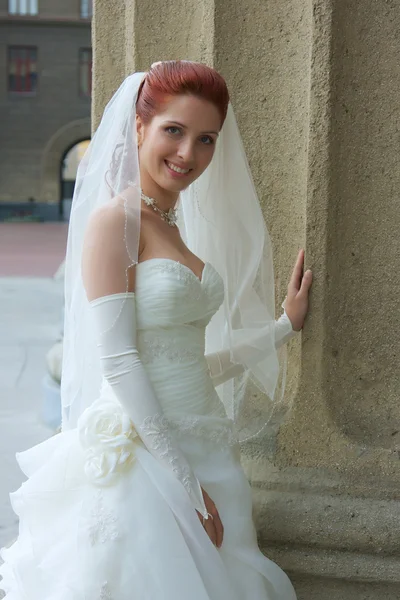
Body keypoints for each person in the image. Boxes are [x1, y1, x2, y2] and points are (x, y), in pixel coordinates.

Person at [0, 61, 312, 600]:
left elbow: (193, 363)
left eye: (206, 138)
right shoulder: (113, 223)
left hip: (208, 450)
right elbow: (120, 361)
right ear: (138, 128)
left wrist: (284, 325)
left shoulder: (171, 228)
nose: (188, 153)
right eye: (174, 130)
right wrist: (185, 488)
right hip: (148, 465)